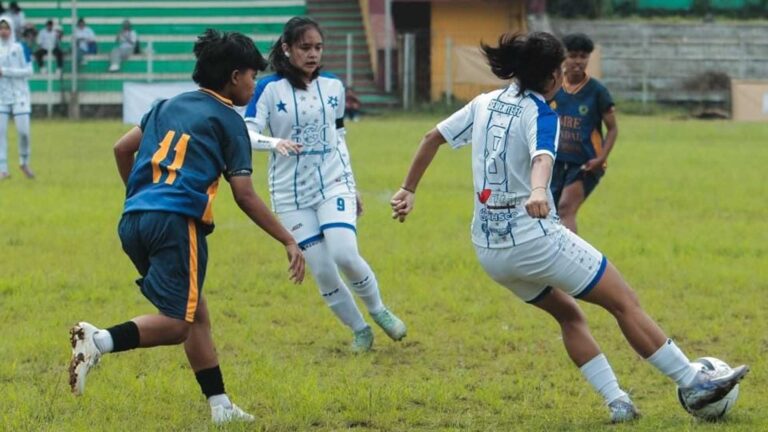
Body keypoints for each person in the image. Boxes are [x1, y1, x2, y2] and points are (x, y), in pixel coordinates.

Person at [390, 32, 748, 423]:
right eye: (560, 70)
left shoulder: (483, 102)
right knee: (623, 301)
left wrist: (408, 189)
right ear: (549, 78)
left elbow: (431, 138)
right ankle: (693, 382)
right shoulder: (542, 112)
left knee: (570, 315)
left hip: (489, 250)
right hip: (533, 239)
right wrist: (540, 189)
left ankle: (618, 402)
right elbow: (543, 157)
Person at [68, 29, 306, 425]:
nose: (255, 83)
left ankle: (220, 405)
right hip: (177, 223)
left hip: (134, 221)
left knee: (196, 314)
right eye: (252, 76)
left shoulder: (166, 105)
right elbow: (244, 195)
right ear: (233, 77)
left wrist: (140, 196)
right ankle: (99, 341)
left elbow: (121, 148)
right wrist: (288, 239)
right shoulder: (230, 121)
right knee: (178, 323)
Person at [244, 17, 406, 352]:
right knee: (321, 268)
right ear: (287, 49)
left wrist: (353, 184)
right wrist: (275, 144)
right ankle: (360, 330)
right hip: (290, 194)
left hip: (334, 184)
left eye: (318, 47)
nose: (313, 54)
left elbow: (339, 137)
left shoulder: (333, 86)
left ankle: (378, 310)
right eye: (305, 47)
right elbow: (247, 132)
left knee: (345, 253)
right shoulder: (268, 89)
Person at [550, 33, 618, 234]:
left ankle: (573, 261)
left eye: (583, 56)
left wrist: (601, 158)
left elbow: (612, 128)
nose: (578, 61)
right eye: (573, 56)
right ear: (563, 57)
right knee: (550, 213)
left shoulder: (598, 92)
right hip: (554, 162)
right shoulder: (551, 87)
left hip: (586, 163)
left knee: (565, 209)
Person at [0, 17, 33, 180]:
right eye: (1, 28)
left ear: (11, 29)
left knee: (24, 133)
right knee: (0, 133)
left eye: (6, 28)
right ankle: (3, 168)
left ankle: (24, 161)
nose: (3, 31)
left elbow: (29, 71)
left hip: (20, 96)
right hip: (2, 97)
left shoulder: (20, 48)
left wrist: (6, 71)